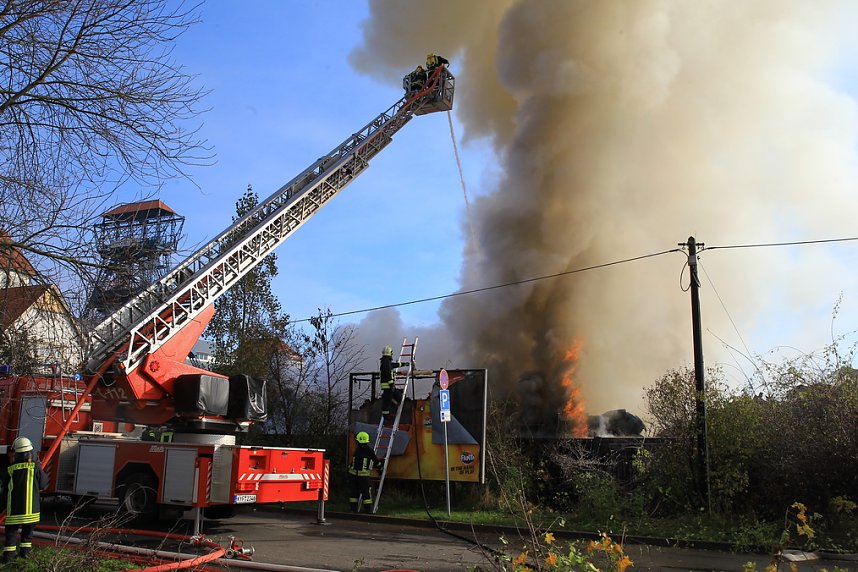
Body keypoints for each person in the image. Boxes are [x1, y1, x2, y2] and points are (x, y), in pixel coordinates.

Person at [2, 437, 48, 563]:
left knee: (11, 532)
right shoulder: (35, 467)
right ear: (30, 452)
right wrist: (38, 464)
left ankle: (9, 556)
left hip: (14, 511)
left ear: (16, 453)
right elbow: (44, 484)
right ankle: (25, 554)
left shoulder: (10, 470)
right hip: (32, 513)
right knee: (27, 533)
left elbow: (4, 489)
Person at [347, 431, 381, 513]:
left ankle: (353, 509)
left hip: (353, 475)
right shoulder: (369, 450)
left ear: (359, 441)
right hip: (363, 476)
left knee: (354, 493)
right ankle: (368, 510)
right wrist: (380, 466)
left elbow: (353, 462)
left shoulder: (357, 450)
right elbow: (375, 460)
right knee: (366, 493)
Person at [379, 345, 409, 424]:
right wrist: (391, 384)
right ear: (390, 353)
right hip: (388, 386)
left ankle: (391, 407)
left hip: (388, 386)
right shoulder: (386, 362)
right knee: (389, 401)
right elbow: (388, 373)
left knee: (397, 397)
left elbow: (394, 365)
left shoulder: (386, 362)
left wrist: (404, 364)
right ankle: (386, 416)